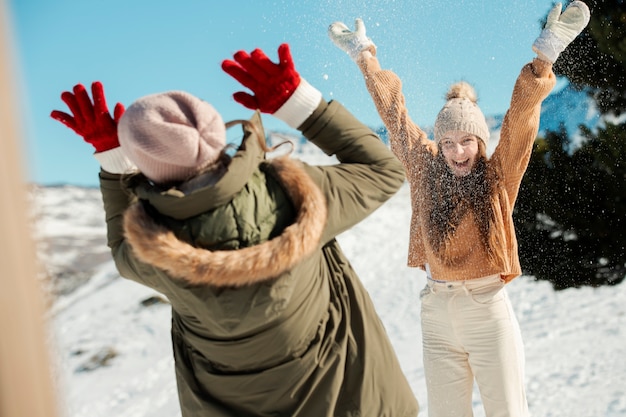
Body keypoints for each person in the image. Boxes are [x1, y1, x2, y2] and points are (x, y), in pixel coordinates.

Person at [51, 43, 419, 417]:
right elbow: (384, 171)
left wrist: (113, 159)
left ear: (146, 168)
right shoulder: (294, 193)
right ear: (213, 129)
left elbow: (121, 249)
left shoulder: (154, 253)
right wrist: (299, 103)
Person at [328, 2, 590, 416]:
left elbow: (521, 120)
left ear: (481, 143)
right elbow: (396, 117)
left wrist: (544, 58)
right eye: (447, 142)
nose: (456, 151)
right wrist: (365, 56)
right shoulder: (427, 171)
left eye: (466, 141)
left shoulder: (498, 176)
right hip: (437, 314)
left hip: (488, 313)